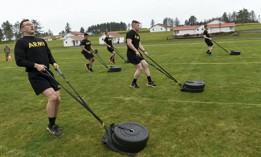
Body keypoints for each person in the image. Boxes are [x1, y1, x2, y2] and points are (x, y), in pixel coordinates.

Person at [14, 19, 63, 137]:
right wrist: (36, 65)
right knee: (52, 97)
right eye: (28, 25)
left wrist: (54, 63)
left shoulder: (41, 41)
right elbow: (19, 61)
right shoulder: (21, 42)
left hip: (48, 72)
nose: (32, 26)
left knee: (58, 100)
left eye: (32, 24)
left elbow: (48, 54)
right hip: (35, 75)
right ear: (22, 29)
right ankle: (51, 126)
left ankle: (53, 124)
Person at [126, 20, 157, 88]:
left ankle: (149, 82)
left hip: (137, 52)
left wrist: (144, 51)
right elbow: (129, 43)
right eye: (138, 25)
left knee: (145, 65)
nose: (139, 27)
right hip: (131, 53)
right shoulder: (130, 33)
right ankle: (133, 84)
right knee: (139, 68)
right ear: (134, 25)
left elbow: (139, 44)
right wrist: (135, 51)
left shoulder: (137, 35)